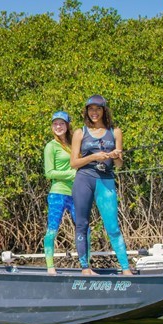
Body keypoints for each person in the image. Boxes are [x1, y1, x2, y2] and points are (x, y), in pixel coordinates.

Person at [70, 94, 132, 275]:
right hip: (84, 180)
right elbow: (74, 163)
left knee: (113, 226)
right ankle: (85, 268)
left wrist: (116, 156)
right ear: (86, 112)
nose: (94, 112)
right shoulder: (79, 132)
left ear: (104, 110)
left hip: (106, 181)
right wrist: (94, 157)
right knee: (82, 224)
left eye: (97, 109)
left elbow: (119, 165)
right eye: (91, 109)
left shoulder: (115, 132)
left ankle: (126, 269)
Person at [42, 111, 77, 274]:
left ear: (67, 125)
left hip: (76, 193)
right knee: (52, 229)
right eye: (55, 124)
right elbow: (49, 173)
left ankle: (87, 266)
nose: (58, 126)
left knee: (85, 229)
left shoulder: (74, 144)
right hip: (57, 193)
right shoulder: (51, 146)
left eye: (61, 123)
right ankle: (50, 267)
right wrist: (72, 174)